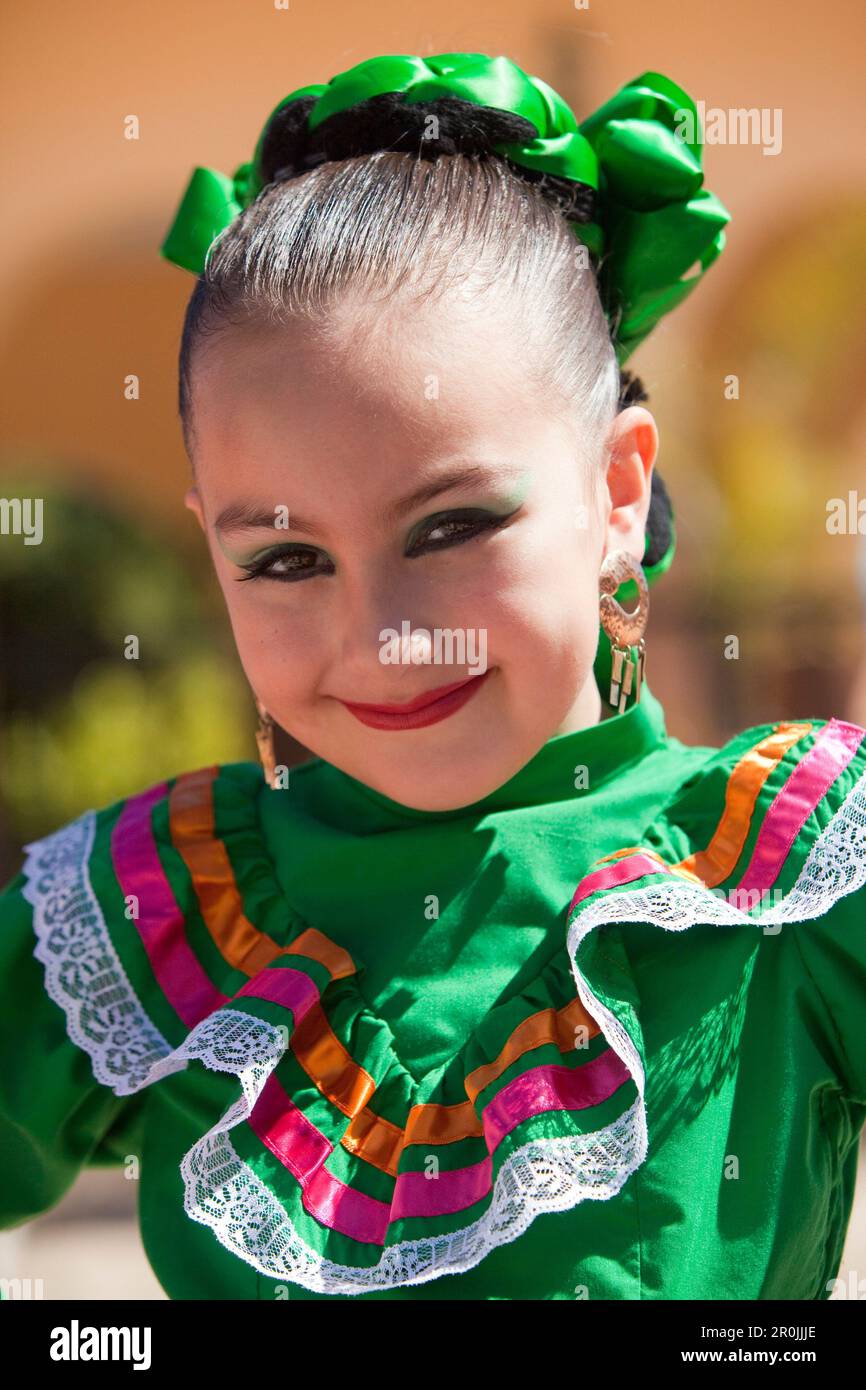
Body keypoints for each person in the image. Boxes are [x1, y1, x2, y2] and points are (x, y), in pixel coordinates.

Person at [1, 52, 864, 1302]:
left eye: (450, 528)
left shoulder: (788, 877)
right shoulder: (146, 913)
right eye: (287, 557)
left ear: (614, 492)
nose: (385, 636)